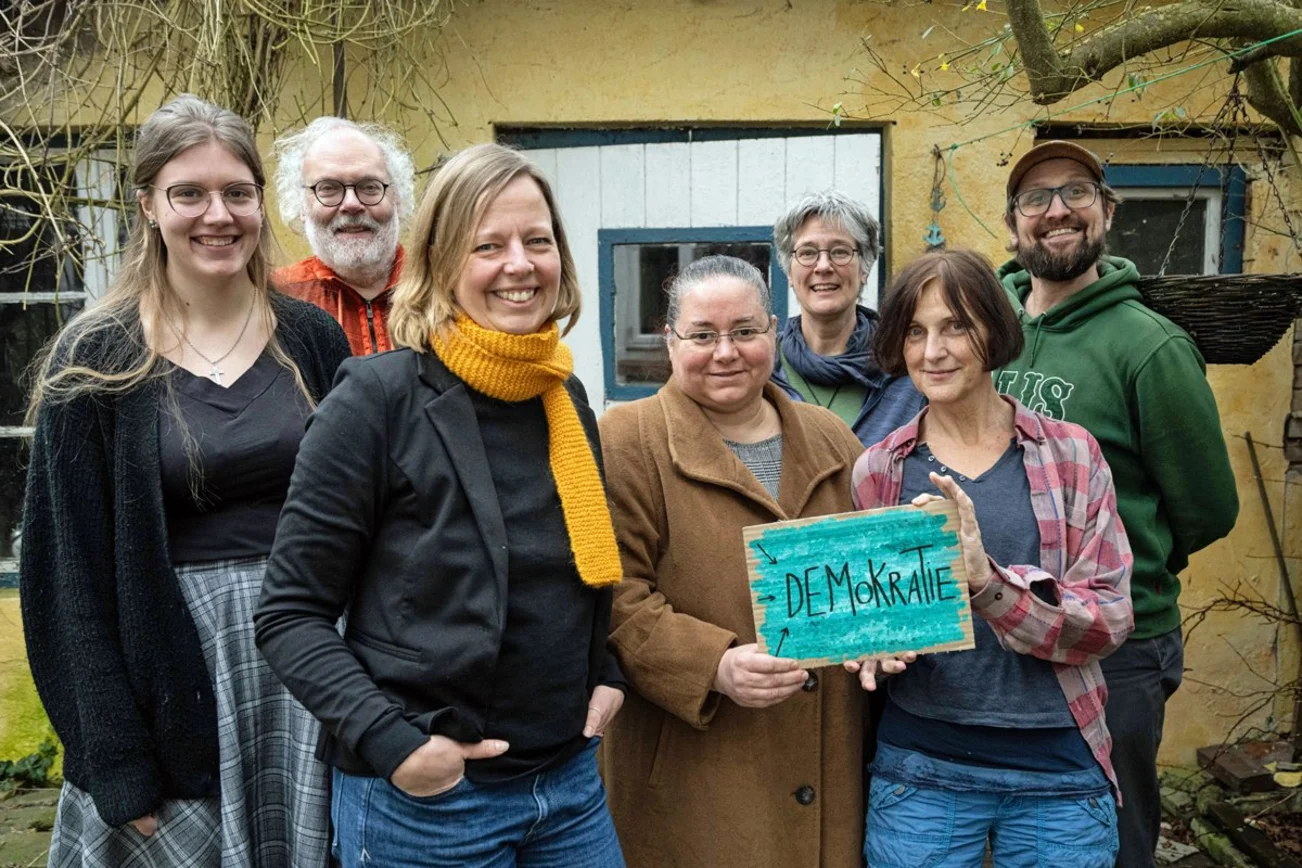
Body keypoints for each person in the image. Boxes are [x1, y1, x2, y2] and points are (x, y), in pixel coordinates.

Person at [254, 143, 627, 868]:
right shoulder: (376, 400)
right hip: (432, 807)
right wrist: (395, 745)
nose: (520, 265)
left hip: (568, 786)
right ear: (443, 261)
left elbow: (565, 576)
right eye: (488, 246)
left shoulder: (564, 397)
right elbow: (290, 614)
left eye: (538, 241)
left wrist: (607, 674)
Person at [20, 94, 349, 867]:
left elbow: (368, 518)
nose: (218, 215)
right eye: (189, 193)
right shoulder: (94, 358)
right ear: (148, 205)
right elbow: (67, 581)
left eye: (237, 192)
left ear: (260, 202)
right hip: (170, 683)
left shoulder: (312, 338)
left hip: (310, 667)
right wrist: (114, 760)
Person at [848, 247, 1134, 868]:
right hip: (922, 769)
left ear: (994, 330)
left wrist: (988, 585)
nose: (933, 351)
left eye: (956, 326)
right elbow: (879, 616)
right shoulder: (878, 470)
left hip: (1058, 766)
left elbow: (1109, 621)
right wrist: (874, 646)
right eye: (915, 332)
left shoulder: (1072, 456)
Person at [995, 141, 1239, 868]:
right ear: (1012, 223)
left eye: (1076, 192)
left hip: (1117, 648)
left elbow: (1207, 507)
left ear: (1107, 210)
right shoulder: (987, 331)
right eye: (1035, 198)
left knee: (1113, 836)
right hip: (1006, 631)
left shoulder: (1149, 346)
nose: (1056, 211)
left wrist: (1131, 563)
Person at [599, 254, 867, 868]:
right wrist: (713, 665)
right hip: (695, 766)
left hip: (827, 758)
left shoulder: (832, 438)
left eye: (745, 331)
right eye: (702, 335)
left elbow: (872, 578)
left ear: (774, 332)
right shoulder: (627, 438)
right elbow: (613, 595)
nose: (726, 352)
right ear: (670, 342)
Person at [770, 190, 924, 446]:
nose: (823, 266)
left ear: (865, 267)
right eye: (807, 253)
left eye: (840, 252)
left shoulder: (906, 368)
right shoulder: (763, 370)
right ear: (788, 271)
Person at [272, 116, 415, 355]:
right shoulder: (276, 300)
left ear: (397, 199)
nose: (351, 204)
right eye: (328, 188)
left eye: (369, 187)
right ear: (301, 206)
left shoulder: (443, 289)